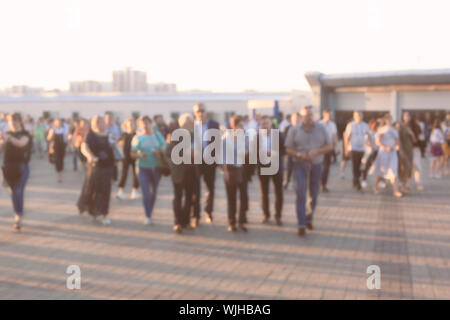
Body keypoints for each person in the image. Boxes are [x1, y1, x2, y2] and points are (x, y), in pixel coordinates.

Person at [285, 106, 333, 237]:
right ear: (301, 116)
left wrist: (317, 151)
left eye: (310, 115)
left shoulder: (321, 129)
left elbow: (330, 146)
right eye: (306, 115)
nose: (308, 118)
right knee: (300, 191)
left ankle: (309, 217)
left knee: (314, 194)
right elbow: (288, 148)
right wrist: (300, 154)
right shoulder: (294, 130)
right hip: (299, 165)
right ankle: (301, 224)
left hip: (316, 165)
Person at [77, 116, 115, 225]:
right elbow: (84, 147)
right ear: (96, 124)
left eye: (104, 122)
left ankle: (104, 214)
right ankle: (94, 211)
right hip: (95, 167)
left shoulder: (108, 135)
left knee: (106, 191)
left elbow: (113, 148)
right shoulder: (91, 135)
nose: (104, 124)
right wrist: (90, 156)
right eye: (101, 122)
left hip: (107, 166)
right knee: (94, 190)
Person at [165, 113, 199, 234]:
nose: (192, 123)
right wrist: (184, 154)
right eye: (190, 121)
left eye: (192, 121)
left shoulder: (195, 136)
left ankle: (186, 221)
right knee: (178, 197)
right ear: (183, 123)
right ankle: (177, 222)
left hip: (191, 171)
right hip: (179, 172)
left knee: (190, 198)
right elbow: (168, 153)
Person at [131, 116, 166, 225]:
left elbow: (165, 147)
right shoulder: (138, 138)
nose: (145, 125)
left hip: (156, 168)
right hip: (142, 168)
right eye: (142, 124)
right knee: (146, 192)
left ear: (151, 123)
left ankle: (150, 210)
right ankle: (148, 215)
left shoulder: (157, 135)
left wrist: (158, 151)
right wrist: (140, 154)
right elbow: (132, 153)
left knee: (153, 192)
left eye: (147, 123)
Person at [0, 113, 32, 231]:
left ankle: (18, 216)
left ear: (20, 121)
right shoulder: (7, 134)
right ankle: (17, 213)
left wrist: (8, 138)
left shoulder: (25, 134)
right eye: (10, 121)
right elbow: (1, 150)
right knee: (13, 192)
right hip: (8, 167)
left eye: (15, 120)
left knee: (18, 191)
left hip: (21, 167)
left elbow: (21, 144)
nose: (12, 123)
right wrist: (2, 141)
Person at [192, 103, 220, 226]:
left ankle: (208, 212)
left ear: (206, 112)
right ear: (194, 112)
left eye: (202, 110)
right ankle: (196, 216)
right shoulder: (192, 126)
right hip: (196, 161)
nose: (200, 113)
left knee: (210, 188)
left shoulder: (214, 125)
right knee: (195, 189)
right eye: (198, 111)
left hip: (210, 161)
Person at [222, 115, 249, 232]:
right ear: (234, 126)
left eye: (243, 126)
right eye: (240, 125)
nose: (242, 128)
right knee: (231, 198)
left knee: (244, 197)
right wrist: (225, 172)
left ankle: (242, 221)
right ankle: (231, 222)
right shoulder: (226, 138)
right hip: (230, 169)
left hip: (243, 170)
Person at [256, 115, 284, 226]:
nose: (265, 126)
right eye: (262, 124)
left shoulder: (278, 135)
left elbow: (284, 150)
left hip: (276, 166)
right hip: (263, 167)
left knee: (278, 193)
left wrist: (273, 154)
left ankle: (278, 216)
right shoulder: (257, 137)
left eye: (266, 123)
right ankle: (266, 214)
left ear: (271, 124)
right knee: (264, 193)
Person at [370, 113, 402, 198]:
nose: (389, 121)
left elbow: (397, 141)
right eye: (388, 119)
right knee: (381, 171)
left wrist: (396, 146)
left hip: (392, 153)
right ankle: (375, 186)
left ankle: (396, 191)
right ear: (385, 120)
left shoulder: (394, 130)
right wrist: (386, 147)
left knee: (394, 171)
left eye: (391, 119)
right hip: (384, 153)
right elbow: (378, 141)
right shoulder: (382, 129)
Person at [344, 111, 373, 191]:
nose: (359, 117)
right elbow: (347, 137)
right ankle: (356, 182)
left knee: (361, 166)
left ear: (362, 116)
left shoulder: (365, 125)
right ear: (354, 116)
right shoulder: (351, 125)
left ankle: (356, 180)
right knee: (354, 166)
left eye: (360, 115)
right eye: (357, 115)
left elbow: (369, 135)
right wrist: (346, 149)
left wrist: (371, 145)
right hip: (353, 148)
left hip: (362, 149)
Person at [117, 117, 140, 200]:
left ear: (135, 125)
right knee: (123, 173)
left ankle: (135, 191)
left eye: (132, 124)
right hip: (125, 157)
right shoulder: (123, 134)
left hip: (135, 157)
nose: (130, 125)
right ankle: (120, 191)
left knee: (136, 174)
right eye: (129, 124)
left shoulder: (137, 135)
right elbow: (119, 144)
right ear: (126, 125)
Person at [404, 112, 424, 191]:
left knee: (417, 166)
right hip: (406, 150)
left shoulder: (416, 126)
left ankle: (419, 183)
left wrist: (412, 135)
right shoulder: (403, 126)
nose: (406, 117)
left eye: (407, 116)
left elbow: (420, 139)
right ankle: (408, 183)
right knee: (408, 167)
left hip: (415, 149)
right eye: (404, 116)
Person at [397, 113, 416, 192]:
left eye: (409, 116)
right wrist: (400, 149)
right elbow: (398, 138)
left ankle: (405, 184)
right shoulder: (400, 126)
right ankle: (402, 184)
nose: (407, 117)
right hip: (402, 150)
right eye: (405, 116)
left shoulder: (412, 126)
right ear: (403, 117)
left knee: (409, 166)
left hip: (410, 150)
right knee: (403, 167)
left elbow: (415, 141)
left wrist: (412, 133)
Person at [319, 109, 337, 192]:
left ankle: (323, 185)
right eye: (328, 115)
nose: (330, 116)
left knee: (326, 167)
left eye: (331, 115)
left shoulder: (332, 124)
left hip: (329, 148)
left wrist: (335, 146)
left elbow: (334, 135)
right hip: (320, 148)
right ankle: (318, 182)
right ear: (324, 115)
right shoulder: (320, 124)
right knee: (319, 166)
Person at [361, 119, 381, 188]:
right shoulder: (368, 132)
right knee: (366, 166)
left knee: (380, 167)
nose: (375, 127)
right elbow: (365, 142)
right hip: (369, 152)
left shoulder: (377, 133)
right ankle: (364, 180)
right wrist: (371, 147)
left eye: (376, 125)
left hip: (377, 152)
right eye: (374, 125)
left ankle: (380, 181)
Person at [47, 118, 68, 183]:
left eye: (60, 122)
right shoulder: (52, 130)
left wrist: (67, 147)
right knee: (57, 161)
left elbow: (66, 139)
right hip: (55, 147)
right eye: (57, 122)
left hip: (62, 147)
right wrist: (52, 133)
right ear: (55, 123)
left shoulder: (64, 129)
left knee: (61, 160)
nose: (59, 123)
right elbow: (48, 139)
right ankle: (59, 175)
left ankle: (60, 172)